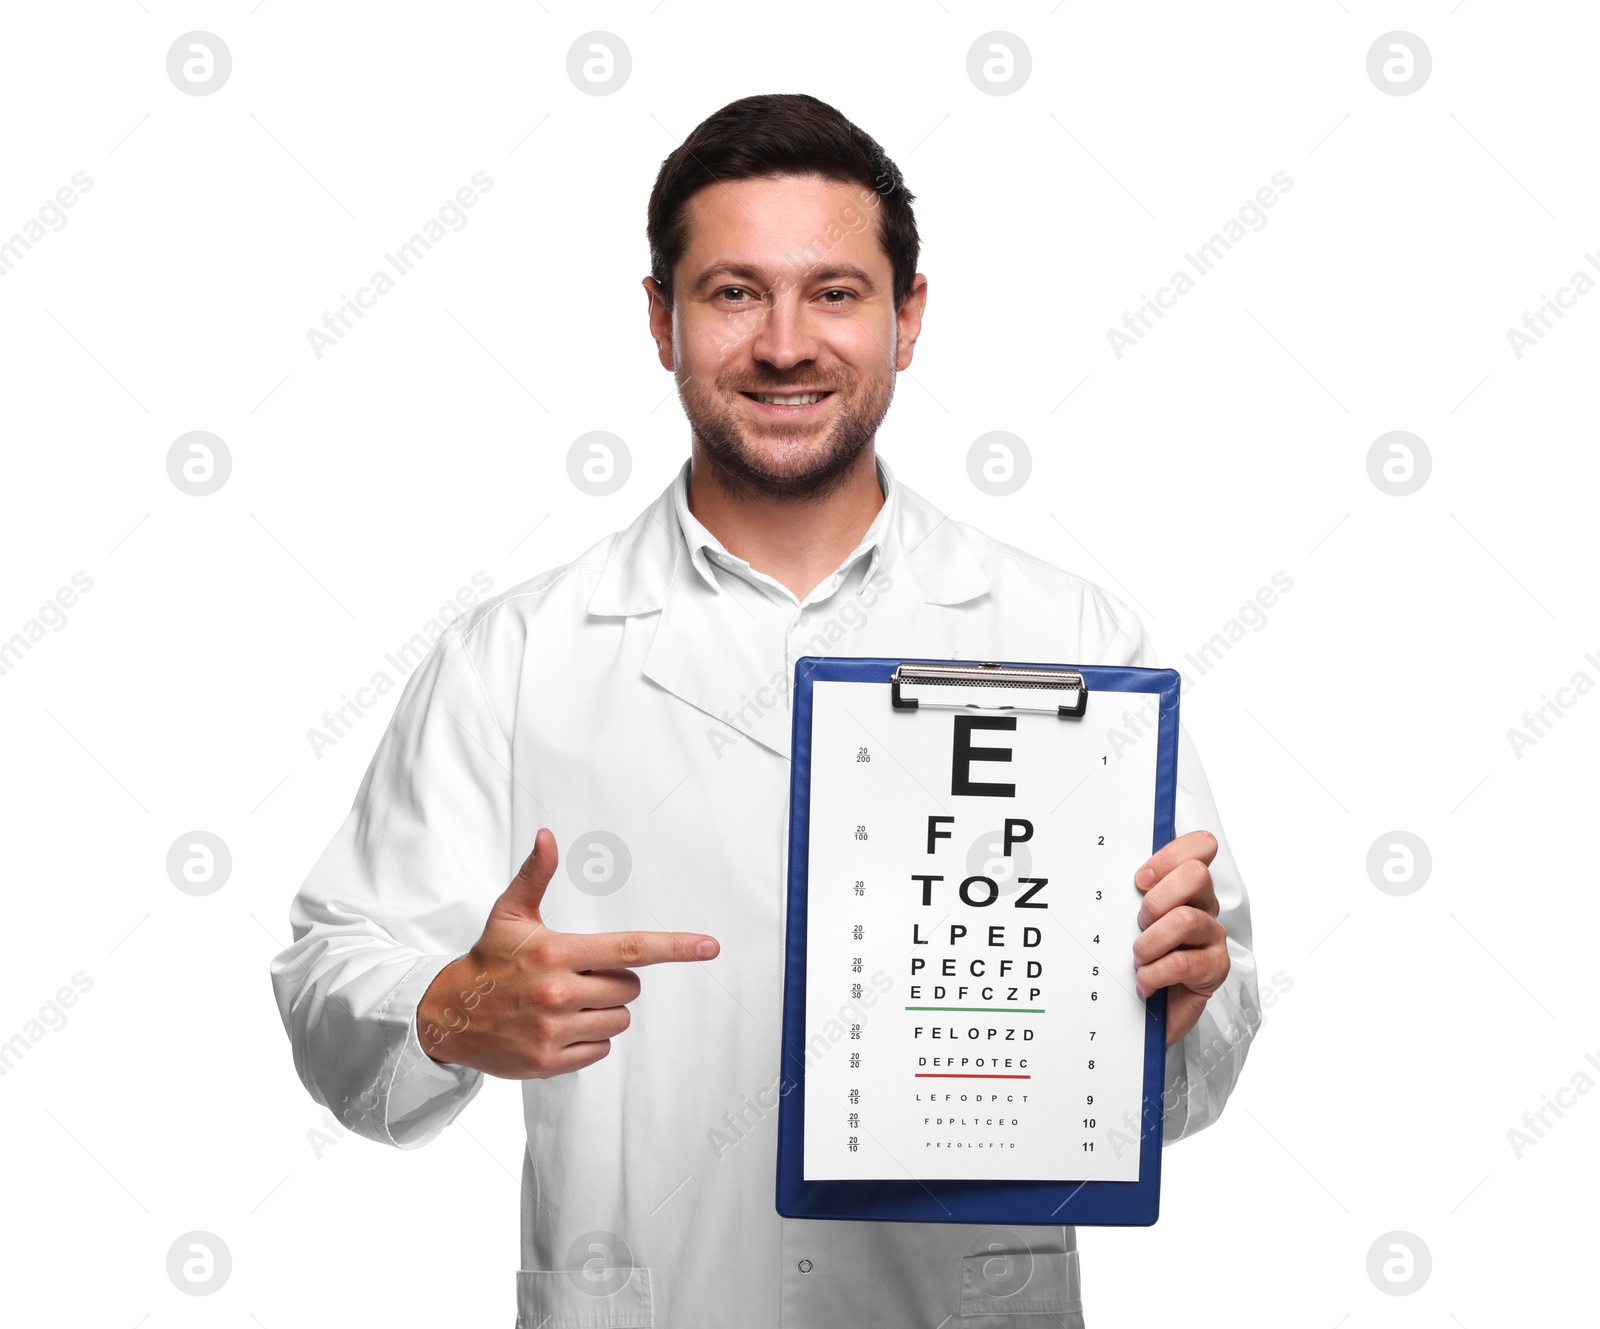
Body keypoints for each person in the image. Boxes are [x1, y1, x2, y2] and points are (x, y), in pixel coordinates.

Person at [270, 92, 1259, 1329]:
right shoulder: (517, 653)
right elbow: (330, 969)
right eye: (735, 292)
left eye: (835, 293)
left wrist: (1182, 1000)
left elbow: (1197, 1063)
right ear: (660, 321)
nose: (786, 343)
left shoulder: (1067, 642)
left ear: (907, 318)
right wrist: (446, 1009)